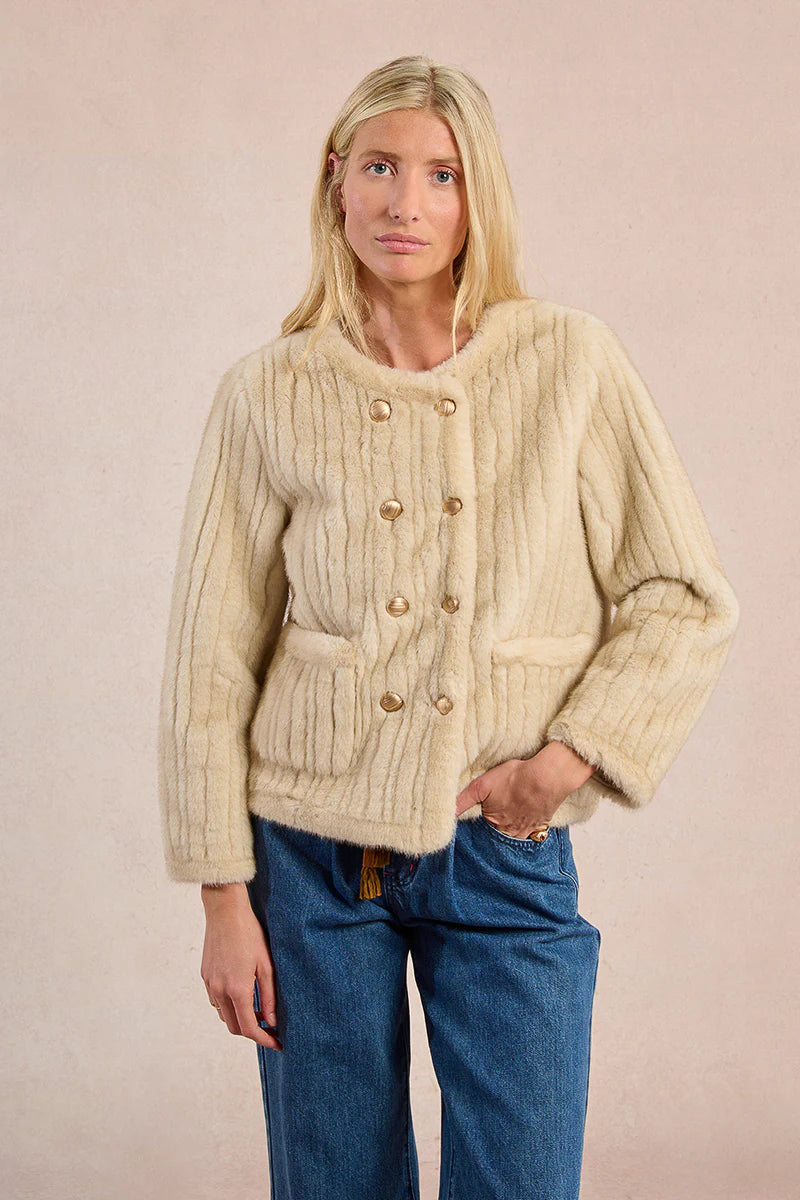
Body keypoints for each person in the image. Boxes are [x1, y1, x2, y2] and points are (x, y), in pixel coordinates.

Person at [157, 55, 740, 1200]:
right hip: (307, 859)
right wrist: (224, 900)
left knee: (520, 1177)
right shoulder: (267, 391)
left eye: (441, 174)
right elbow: (210, 661)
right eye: (379, 167)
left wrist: (564, 763)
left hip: (499, 845)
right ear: (335, 180)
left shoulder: (567, 360)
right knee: (332, 1182)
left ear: (479, 197)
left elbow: (681, 593)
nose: (404, 203)